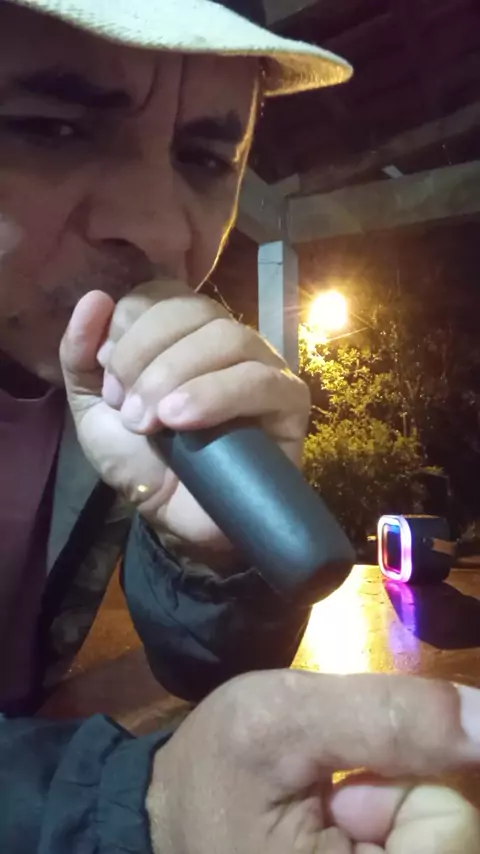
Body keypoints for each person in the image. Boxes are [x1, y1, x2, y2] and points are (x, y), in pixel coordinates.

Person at [0, 1, 479, 851]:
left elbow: (206, 675)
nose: (163, 231)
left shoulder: (102, 379)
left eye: (206, 158)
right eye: (51, 128)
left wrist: (209, 555)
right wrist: (138, 807)